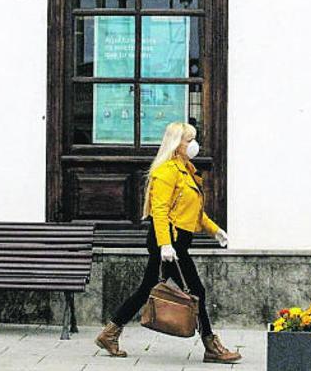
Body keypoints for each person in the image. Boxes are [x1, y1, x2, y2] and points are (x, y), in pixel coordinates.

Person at [95, 122, 242, 364]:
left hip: (174, 241)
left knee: (146, 289)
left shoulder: (186, 169)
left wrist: (215, 231)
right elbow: (160, 211)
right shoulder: (166, 171)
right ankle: (211, 346)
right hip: (170, 243)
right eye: (188, 140)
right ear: (176, 144)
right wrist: (165, 245)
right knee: (197, 292)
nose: (194, 145)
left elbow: (194, 212)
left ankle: (110, 333)